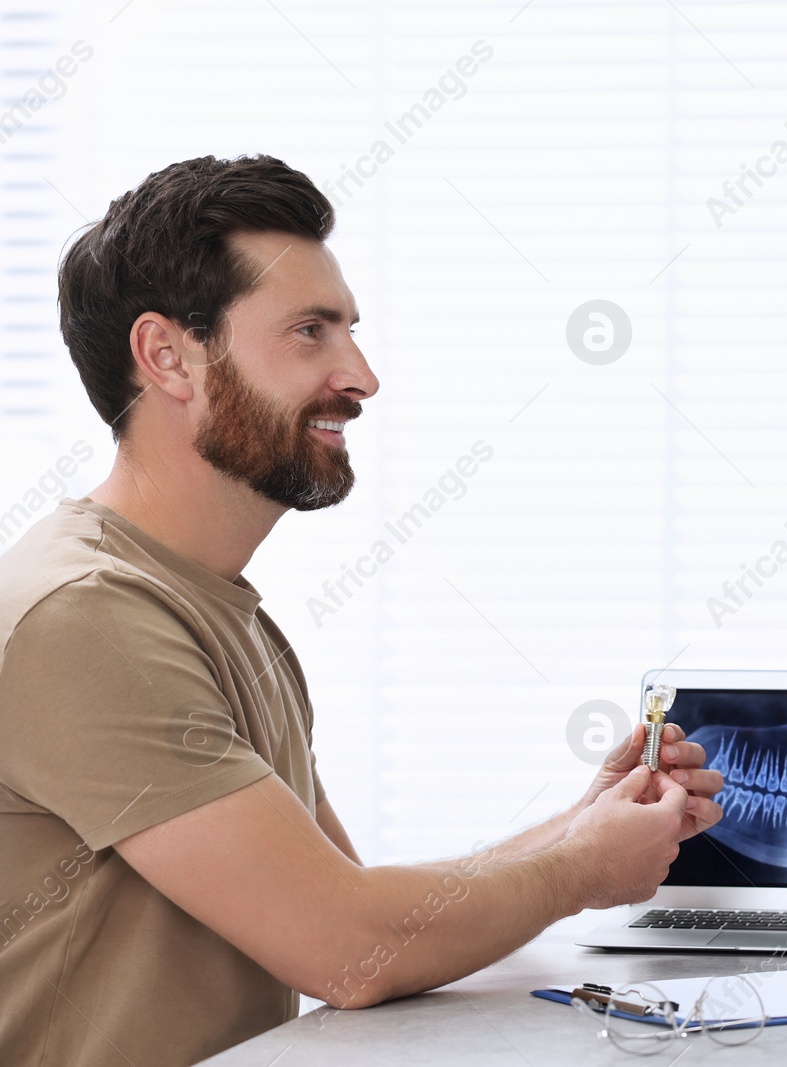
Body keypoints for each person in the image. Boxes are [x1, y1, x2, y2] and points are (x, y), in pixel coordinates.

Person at [0, 155, 724, 1067]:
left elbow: (359, 902)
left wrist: (581, 825)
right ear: (168, 356)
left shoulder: (216, 612)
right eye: (310, 331)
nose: (362, 375)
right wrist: (580, 870)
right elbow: (349, 948)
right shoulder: (86, 616)